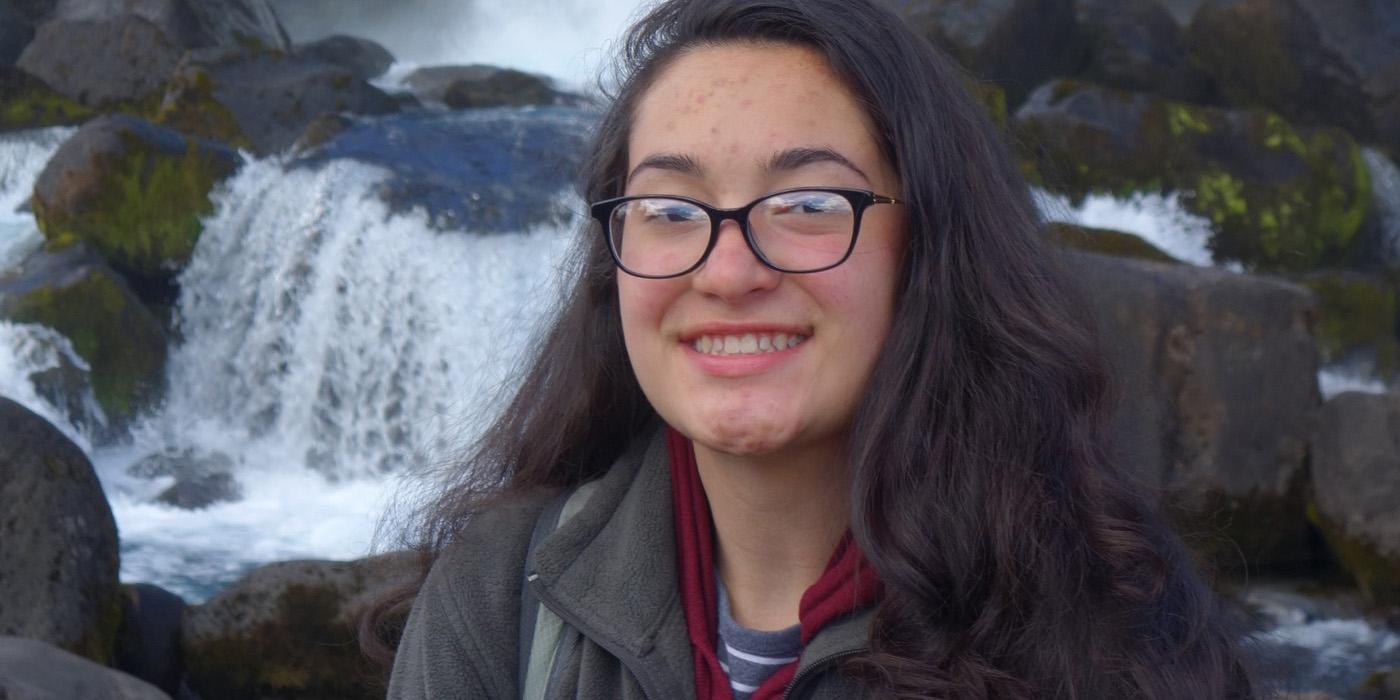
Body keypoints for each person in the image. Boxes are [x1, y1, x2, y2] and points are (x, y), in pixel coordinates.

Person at [367, 0, 1255, 697]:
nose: (726, 270)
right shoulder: (504, 596)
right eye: (670, 212)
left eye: (807, 205)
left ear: (931, 250)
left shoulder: (1103, 642)